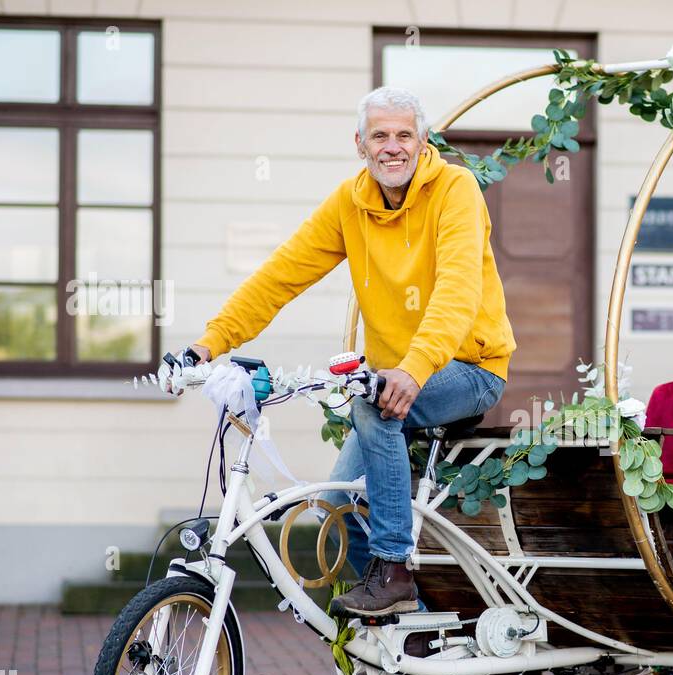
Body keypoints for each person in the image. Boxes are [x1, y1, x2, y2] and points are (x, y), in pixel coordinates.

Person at [183, 86, 515, 616]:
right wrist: (209, 344)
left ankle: (393, 570)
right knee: (338, 499)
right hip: (395, 378)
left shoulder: (456, 189)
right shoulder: (350, 203)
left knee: (371, 406)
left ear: (422, 141)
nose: (392, 147)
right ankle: (410, 621)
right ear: (359, 143)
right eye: (379, 135)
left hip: (470, 369)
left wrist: (413, 368)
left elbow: (457, 290)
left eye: (404, 135)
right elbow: (281, 276)